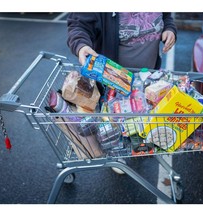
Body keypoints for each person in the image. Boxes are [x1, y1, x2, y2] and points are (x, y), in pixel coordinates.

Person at [67, 12, 177, 174]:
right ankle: (115, 152)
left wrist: (169, 29)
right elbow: (78, 24)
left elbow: (166, 15)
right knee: (114, 121)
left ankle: (135, 142)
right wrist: (81, 45)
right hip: (113, 82)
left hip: (146, 78)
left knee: (139, 115)